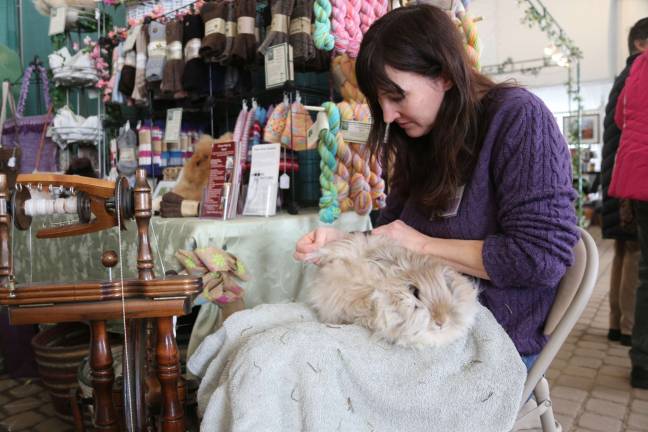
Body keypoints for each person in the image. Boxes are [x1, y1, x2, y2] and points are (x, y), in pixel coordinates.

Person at [294, 4, 579, 368]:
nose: (388, 116)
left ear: (443, 75)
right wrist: (345, 245)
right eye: (379, 101)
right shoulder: (421, 137)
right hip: (414, 323)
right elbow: (392, 234)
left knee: (304, 368)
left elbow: (540, 259)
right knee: (270, 347)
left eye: (397, 96)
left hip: (488, 336)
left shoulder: (519, 119)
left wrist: (423, 245)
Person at [600, 18, 648, 346]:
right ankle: (630, 328)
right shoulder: (638, 71)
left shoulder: (625, 76)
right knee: (634, 252)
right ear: (641, 43)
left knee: (623, 249)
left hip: (620, 175)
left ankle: (618, 322)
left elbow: (618, 121)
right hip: (633, 177)